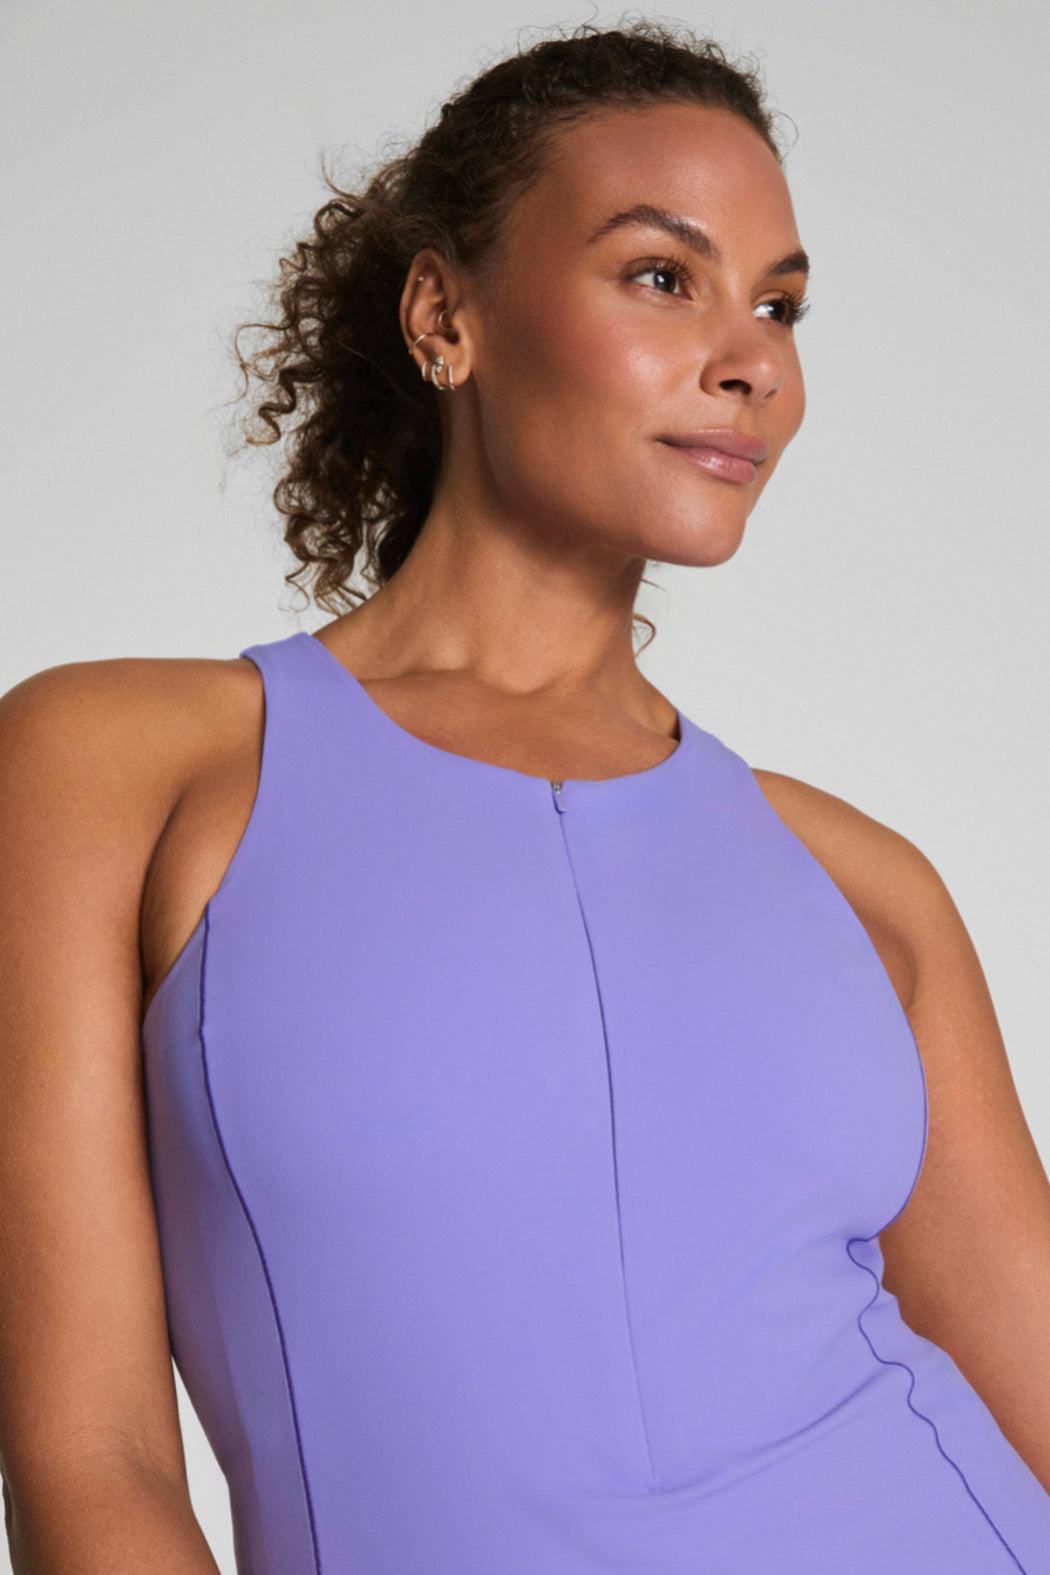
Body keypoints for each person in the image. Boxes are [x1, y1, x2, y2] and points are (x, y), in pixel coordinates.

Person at [1, 18, 1048, 1574]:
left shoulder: (861, 885)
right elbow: (93, 1464)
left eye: (777, 305)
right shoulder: (122, 767)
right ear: (445, 314)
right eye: (660, 275)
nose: (752, 358)